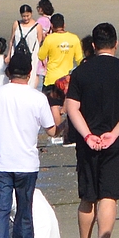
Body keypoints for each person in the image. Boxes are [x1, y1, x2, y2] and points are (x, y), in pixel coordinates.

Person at [64, 23, 119, 238]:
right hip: (117, 142)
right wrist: (114, 133)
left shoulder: (81, 72)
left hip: (87, 143)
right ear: (116, 44)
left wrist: (88, 135)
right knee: (108, 195)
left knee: (89, 195)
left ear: (93, 45)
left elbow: (72, 107)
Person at [0, 47, 55, 238]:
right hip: (26, 163)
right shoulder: (37, 97)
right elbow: (51, 130)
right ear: (30, 72)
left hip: (1, 162)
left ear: (8, 71)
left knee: (1, 211)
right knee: (24, 210)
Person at [37, 14, 85, 144]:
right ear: (64, 25)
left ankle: (59, 133)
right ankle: (68, 133)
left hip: (52, 78)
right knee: (70, 106)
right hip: (68, 79)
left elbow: (41, 55)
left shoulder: (49, 39)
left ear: (52, 26)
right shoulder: (74, 38)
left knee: (54, 106)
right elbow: (80, 59)